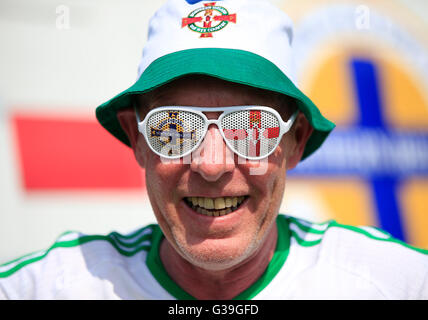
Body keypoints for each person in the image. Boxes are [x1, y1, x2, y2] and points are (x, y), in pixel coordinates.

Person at [0, 0, 427, 300]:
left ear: (294, 142)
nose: (211, 164)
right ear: (138, 141)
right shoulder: (47, 288)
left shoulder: (396, 284)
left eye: (250, 128)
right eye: (174, 128)